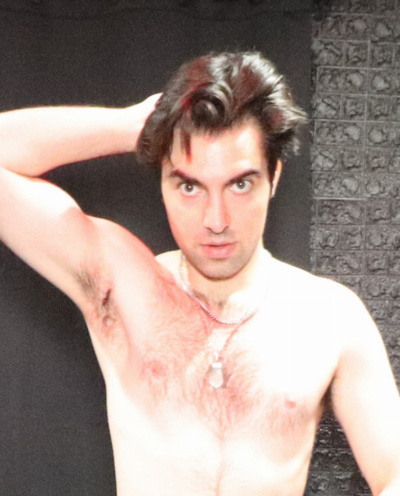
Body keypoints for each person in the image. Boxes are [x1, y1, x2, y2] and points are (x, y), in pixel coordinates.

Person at [0, 51, 399, 496]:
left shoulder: (332, 317)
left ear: (274, 177)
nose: (216, 219)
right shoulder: (122, 285)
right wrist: (133, 126)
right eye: (189, 186)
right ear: (163, 181)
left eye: (240, 184)